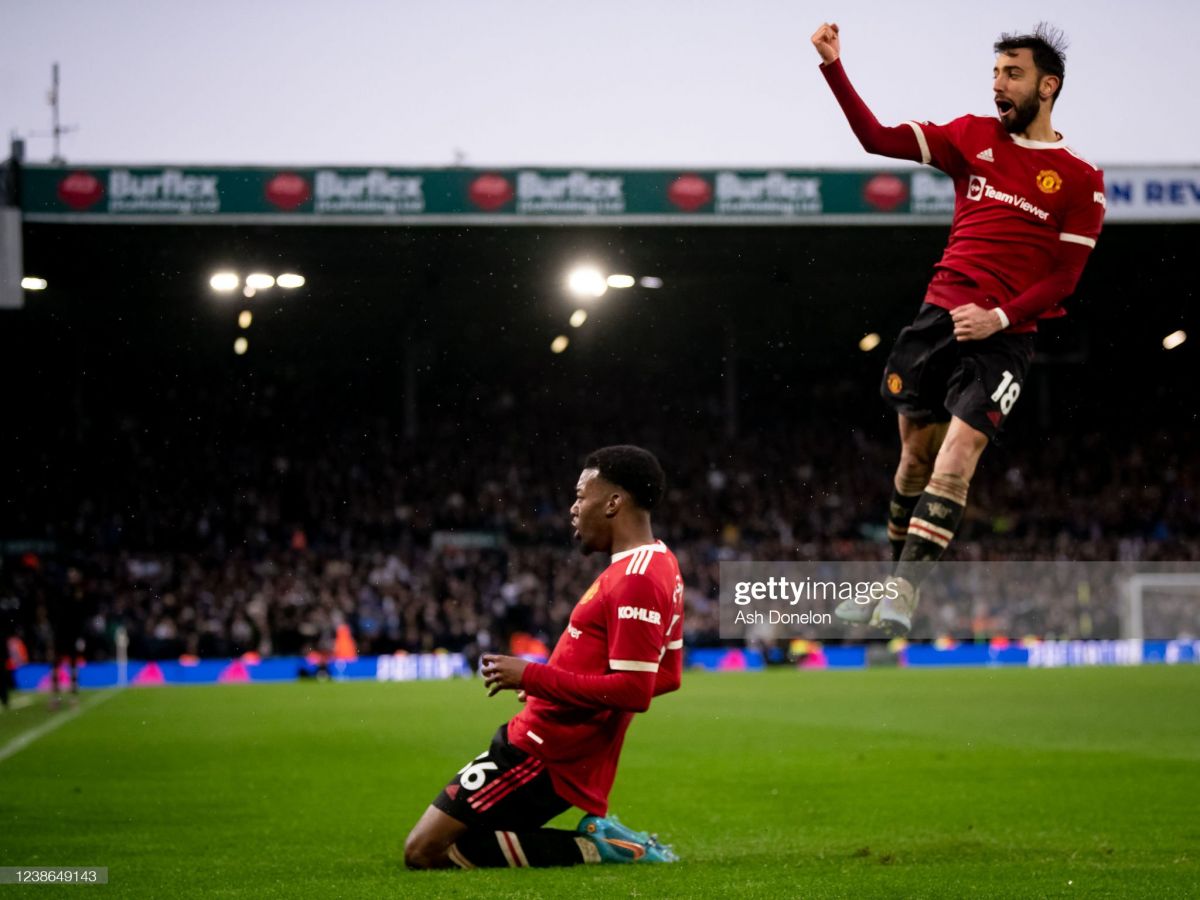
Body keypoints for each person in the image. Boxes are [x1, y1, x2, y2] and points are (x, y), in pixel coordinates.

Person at [811, 22, 1106, 634]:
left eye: (1012, 73)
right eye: (995, 71)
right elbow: (875, 138)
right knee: (912, 463)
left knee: (957, 456)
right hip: (935, 322)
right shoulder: (971, 137)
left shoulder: (1081, 180)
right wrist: (834, 66)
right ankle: (888, 585)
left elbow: (1063, 279)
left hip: (1004, 338)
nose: (998, 83)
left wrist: (998, 316)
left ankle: (904, 596)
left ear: (1047, 86)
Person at [404, 445, 685, 869]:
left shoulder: (637, 578)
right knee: (460, 842)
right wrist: (558, 684)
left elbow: (635, 689)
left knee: (425, 851)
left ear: (613, 502)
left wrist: (534, 678)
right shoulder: (661, 562)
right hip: (548, 740)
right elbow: (668, 675)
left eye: (580, 495)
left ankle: (598, 848)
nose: (573, 508)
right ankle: (601, 842)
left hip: (543, 752)